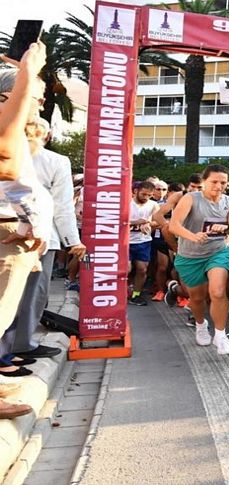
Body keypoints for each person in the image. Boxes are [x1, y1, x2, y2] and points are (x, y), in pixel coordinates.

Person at [0, 42, 51, 419]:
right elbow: (7, 166)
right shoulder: (8, 132)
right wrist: (26, 76)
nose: (40, 103)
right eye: (37, 96)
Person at [10, 118, 84, 361]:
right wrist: (72, 240)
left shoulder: (7, 153)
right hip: (41, 234)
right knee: (33, 293)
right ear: (48, 136)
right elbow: (62, 205)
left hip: (10, 231)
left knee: (9, 294)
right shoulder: (56, 161)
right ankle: (21, 344)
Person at [168, 165, 229, 355]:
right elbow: (173, 226)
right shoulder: (190, 198)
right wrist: (193, 237)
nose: (219, 186)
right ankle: (200, 325)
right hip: (190, 255)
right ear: (205, 182)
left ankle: (221, 335)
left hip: (218, 251)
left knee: (217, 292)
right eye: (214, 182)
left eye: (223, 182)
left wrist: (224, 228)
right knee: (197, 298)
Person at [128, 181, 160, 306]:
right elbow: (117, 220)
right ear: (136, 191)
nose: (146, 198)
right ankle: (120, 291)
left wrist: (148, 223)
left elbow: (159, 221)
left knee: (142, 269)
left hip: (143, 241)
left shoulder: (153, 204)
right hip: (127, 241)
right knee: (126, 268)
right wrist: (135, 222)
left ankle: (136, 294)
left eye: (149, 195)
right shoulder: (127, 203)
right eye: (143, 194)